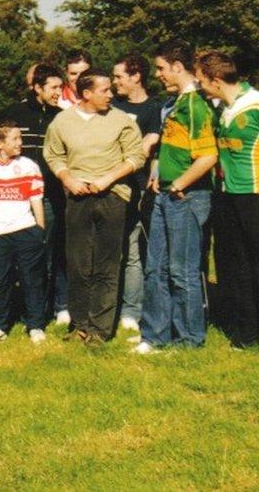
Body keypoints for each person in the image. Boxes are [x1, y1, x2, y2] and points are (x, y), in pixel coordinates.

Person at [43, 69, 145, 344]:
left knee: (106, 265)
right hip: (77, 197)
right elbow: (52, 154)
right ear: (86, 93)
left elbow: (137, 156)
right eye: (105, 90)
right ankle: (81, 326)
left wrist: (108, 179)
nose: (111, 94)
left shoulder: (121, 120)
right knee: (78, 263)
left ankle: (100, 330)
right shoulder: (62, 121)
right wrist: (68, 178)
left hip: (112, 197)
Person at [132, 42, 217, 355]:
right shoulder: (172, 104)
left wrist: (180, 183)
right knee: (156, 268)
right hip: (165, 193)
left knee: (182, 271)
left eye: (161, 68)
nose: (157, 75)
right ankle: (154, 335)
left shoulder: (197, 105)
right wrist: (156, 171)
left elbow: (207, 156)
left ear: (178, 67)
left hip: (187, 196)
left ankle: (188, 340)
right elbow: (170, 147)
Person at [195, 50, 259, 348]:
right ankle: (245, 331)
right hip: (226, 196)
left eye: (202, 81)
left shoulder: (255, 104)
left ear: (216, 80)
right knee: (234, 264)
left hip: (254, 196)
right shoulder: (221, 109)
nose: (199, 86)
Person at [0, 64, 68, 323]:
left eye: (60, 87)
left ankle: (43, 311)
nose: (58, 93)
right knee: (14, 258)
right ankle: (13, 310)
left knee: (45, 256)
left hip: (49, 199)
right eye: (53, 88)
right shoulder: (13, 114)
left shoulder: (62, 117)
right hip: (15, 200)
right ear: (38, 88)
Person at [0, 122, 48, 345]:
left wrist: (40, 229)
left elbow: (36, 198)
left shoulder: (29, 166)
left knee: (32, 279)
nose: (20, 143)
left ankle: (35, 325)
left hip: (26, 229)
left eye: (20, 138)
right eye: (14, 139)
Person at [112, 53, 164, 331]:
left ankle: (132, 311)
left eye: (119, 76)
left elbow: (145, 149)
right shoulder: (112, 106)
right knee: (115, 251)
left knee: (135, 252)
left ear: (136, 77)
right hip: (112, 188)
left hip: (139, 189)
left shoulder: (154, 109)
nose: (115, 82)